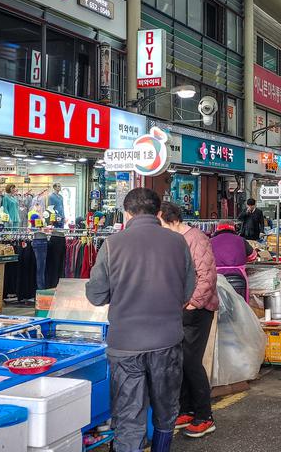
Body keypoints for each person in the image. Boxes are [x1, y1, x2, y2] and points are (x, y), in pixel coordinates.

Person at [85, 189, 195, 452]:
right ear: (159, 213)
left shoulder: (112, 244)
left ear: (126, 212)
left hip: (125, 346)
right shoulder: (178, 242)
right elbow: (188, 291)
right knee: (166, 410)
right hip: (167, 341)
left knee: (128, 415)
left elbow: (97, 295)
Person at [157, 202, 219, 439]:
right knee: (179, 361)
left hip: (197, 310)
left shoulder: (195, 238)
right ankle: (186, 410)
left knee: (191, 362)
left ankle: (205, 417)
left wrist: (194, 302)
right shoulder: (172, 240)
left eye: (160, 222)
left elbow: (207, 275)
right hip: (179, 308)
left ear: (170, 219)